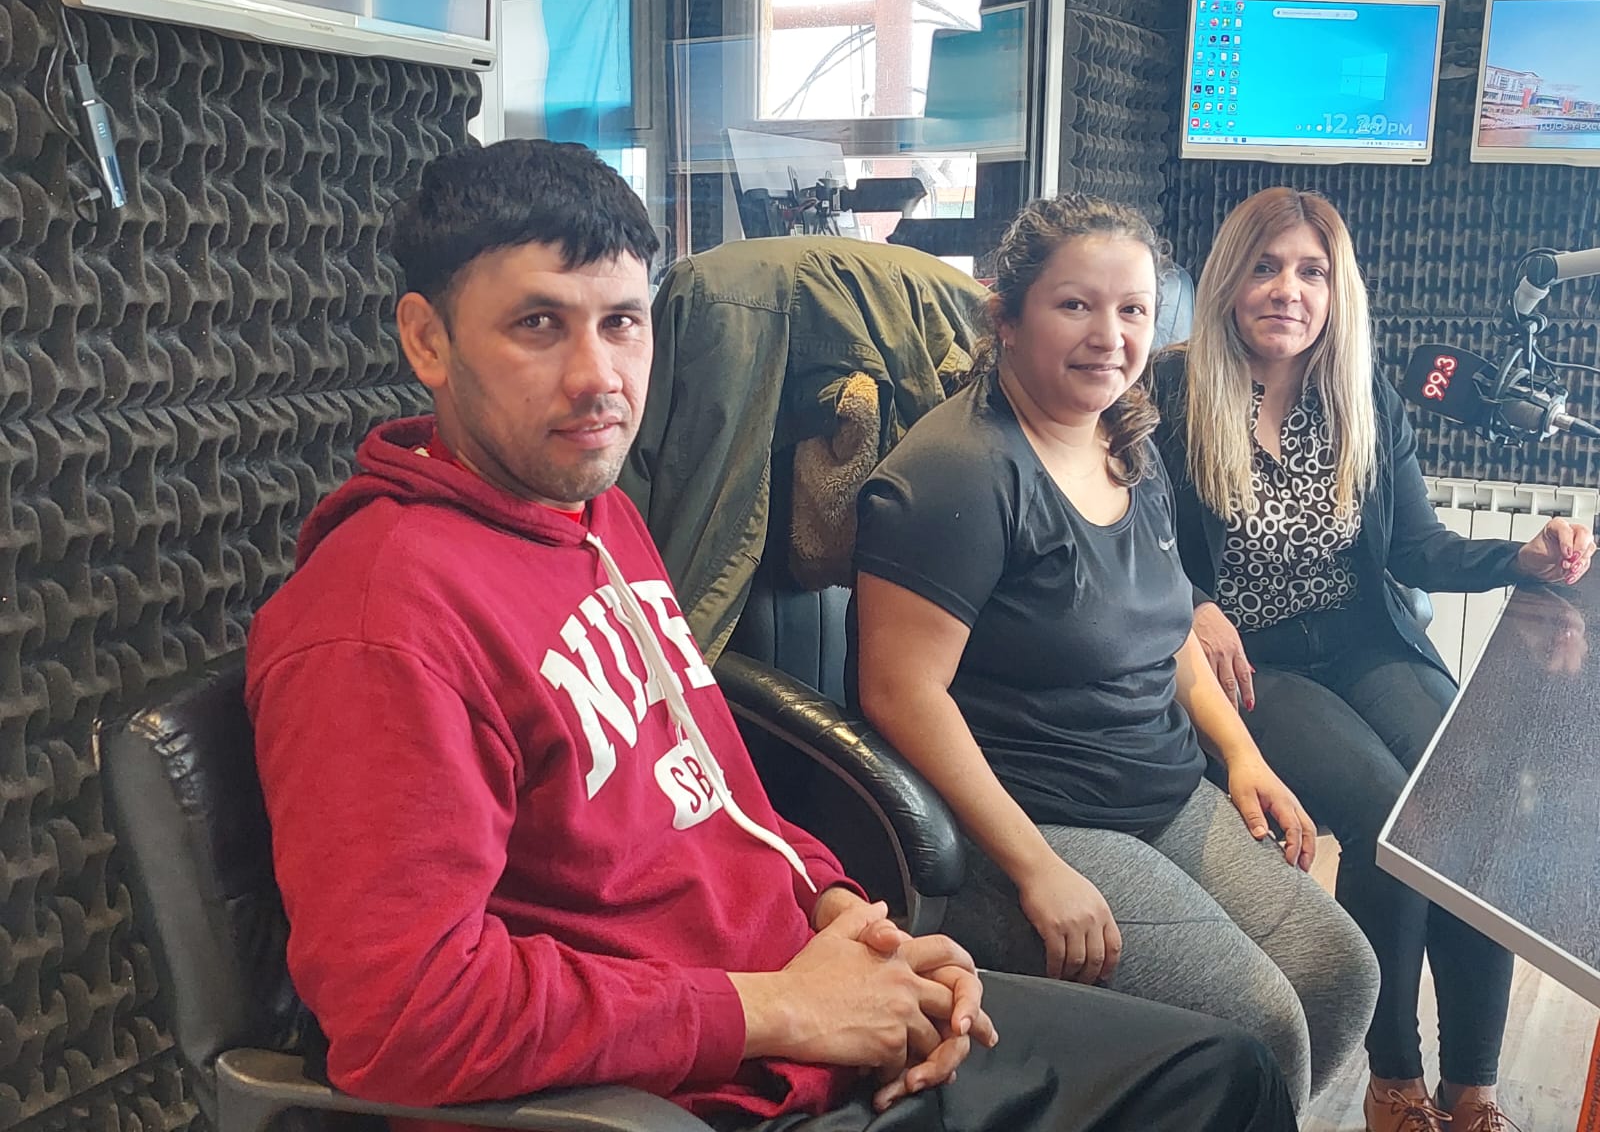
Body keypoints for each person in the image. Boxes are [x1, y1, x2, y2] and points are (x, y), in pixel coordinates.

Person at [244, 140, 1300, 1132]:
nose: (597, 377)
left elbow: (715, 792)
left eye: (622, 323)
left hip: (797, 1012)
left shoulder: (593, 515)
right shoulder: (379, 624)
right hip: (703, 1092)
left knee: (1223, 1069)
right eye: (537, 324)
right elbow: (405, 1016)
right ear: (427, 340)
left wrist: (848, 918)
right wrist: (781, 1010)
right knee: (1213, 1087)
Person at [851, 193, 1379, 1114]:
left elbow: (1173, 627)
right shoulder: (957, 473)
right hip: (1033, 824)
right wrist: (1034, 868)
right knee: (1259, 1026)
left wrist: (1241, 754)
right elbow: (900, 693)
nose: (1110, 335)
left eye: (1132, 309)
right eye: (1075, 305)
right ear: (1005, 318)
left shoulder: (1125, 440)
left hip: (1162, 794)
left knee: (1338, 974)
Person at [1149, 186, 1597, 1132]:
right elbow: (1125, 533)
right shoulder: (1170, 393)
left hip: (1361, 639)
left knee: (1470, 801)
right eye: (1267, 267)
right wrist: (1190, 602)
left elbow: (1418, 549)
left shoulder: (1364, 397)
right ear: (1230, 281)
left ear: (1336, 288)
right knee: (1392, 816)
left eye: (1311, 271)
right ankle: (1393, 1082)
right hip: (1256, 665)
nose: (1289, 289)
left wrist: (1520, 558)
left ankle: (1473, 1091)